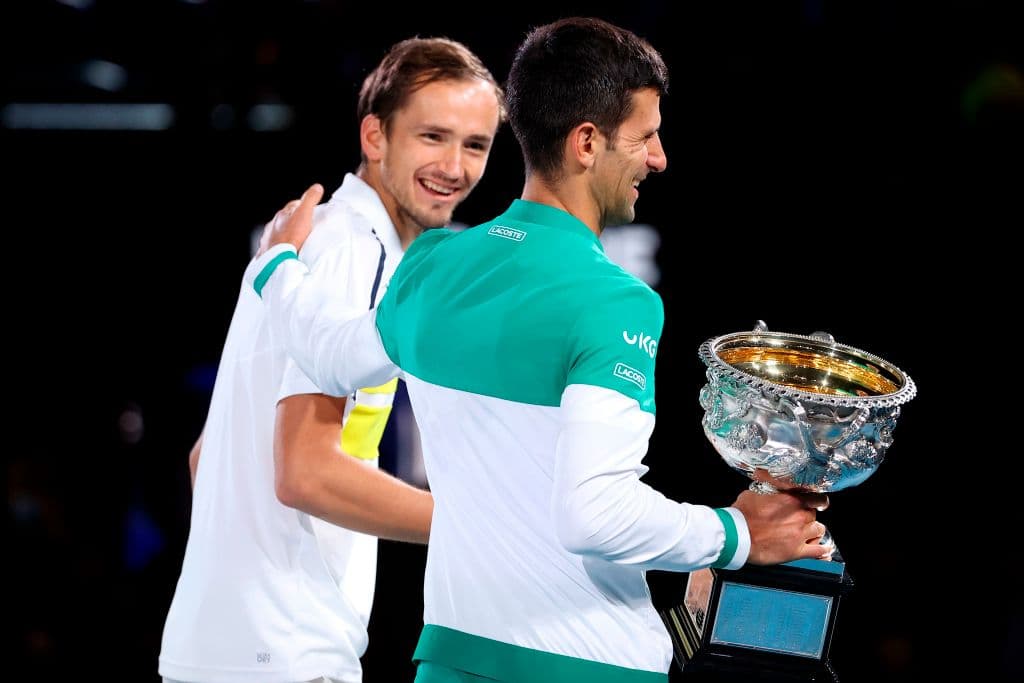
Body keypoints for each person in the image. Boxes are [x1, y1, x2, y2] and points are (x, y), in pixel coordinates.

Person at [250, 17, 829, 682]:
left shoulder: (432, 264)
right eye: (645, 136)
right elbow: (594, 514)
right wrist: (737, 533)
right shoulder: (615, 301)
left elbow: (324, 345)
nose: (659, 157)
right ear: (587, 142)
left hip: (448, 660)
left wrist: (278, 268)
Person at [159, 37, 505, 683]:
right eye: (433, 136)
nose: (455, 166)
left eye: (476, 144)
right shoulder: (356, 250)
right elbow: (306, 473)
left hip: (221, 648)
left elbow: (206, 458)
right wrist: (485, 529)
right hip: (284, 656)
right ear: (375, 136)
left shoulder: (321, 239)